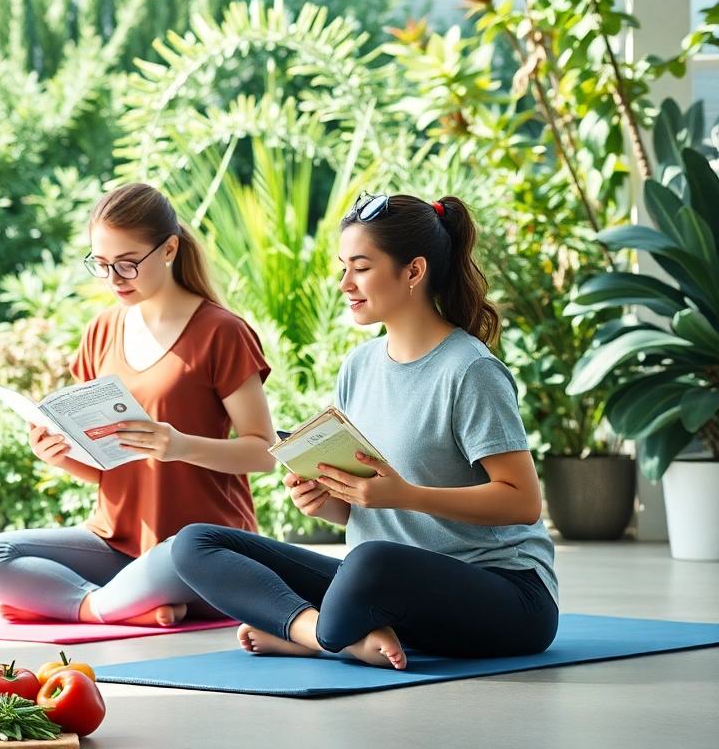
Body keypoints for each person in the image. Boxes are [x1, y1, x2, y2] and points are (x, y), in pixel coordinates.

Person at [171, 193, 559, 670]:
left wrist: (406, 495)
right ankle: (320, 633)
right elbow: (363, 509)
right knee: (195, 543)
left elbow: (522, 502)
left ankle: (315, 632)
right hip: (387, 585)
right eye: (342, 268)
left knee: (373, 562)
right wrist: (325, 497)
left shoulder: (470, 370)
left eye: (361, 267)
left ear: (413, 272)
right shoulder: (360, 365)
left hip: (505, 596)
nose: (345, 284)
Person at [0, 183, 278, 627]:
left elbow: (263, 452)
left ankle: (85, 604)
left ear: (169, 249)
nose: (114, 279)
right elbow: (103, 466)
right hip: (117, 544)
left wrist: (180, 446)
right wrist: (59, 455)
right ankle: (114, 608)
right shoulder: (101, 331)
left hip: (196, 549)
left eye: (127, 264)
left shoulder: (220, 332)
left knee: (180, 554)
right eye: (102, 264)